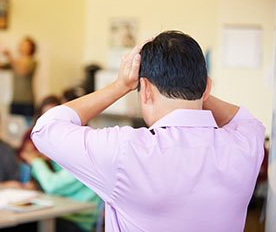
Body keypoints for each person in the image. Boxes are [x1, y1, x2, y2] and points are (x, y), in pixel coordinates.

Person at [31, 31, 265, 232]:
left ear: (145, 91)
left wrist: (120, 85)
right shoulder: (246, 145)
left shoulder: (125, 151)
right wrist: (195, 88)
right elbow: (245, 119)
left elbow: (46, 128)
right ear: (206, 88)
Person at [20, 95, 101, 232]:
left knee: (22, 226)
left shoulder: (84, 152)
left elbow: (52, 185)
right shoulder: (78, 144)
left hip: (77, 220)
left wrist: (36, 161)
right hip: (64, 213)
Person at [0, 36, 37, 120]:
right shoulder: (15, 62)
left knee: (27, 126)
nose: (22, 47)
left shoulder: (33, 62)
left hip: (28, 101)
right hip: (15, 100)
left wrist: (9, 57)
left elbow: (23, 71)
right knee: (14, 126)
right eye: (22, 44)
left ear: (31, 48)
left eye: (26, 45)